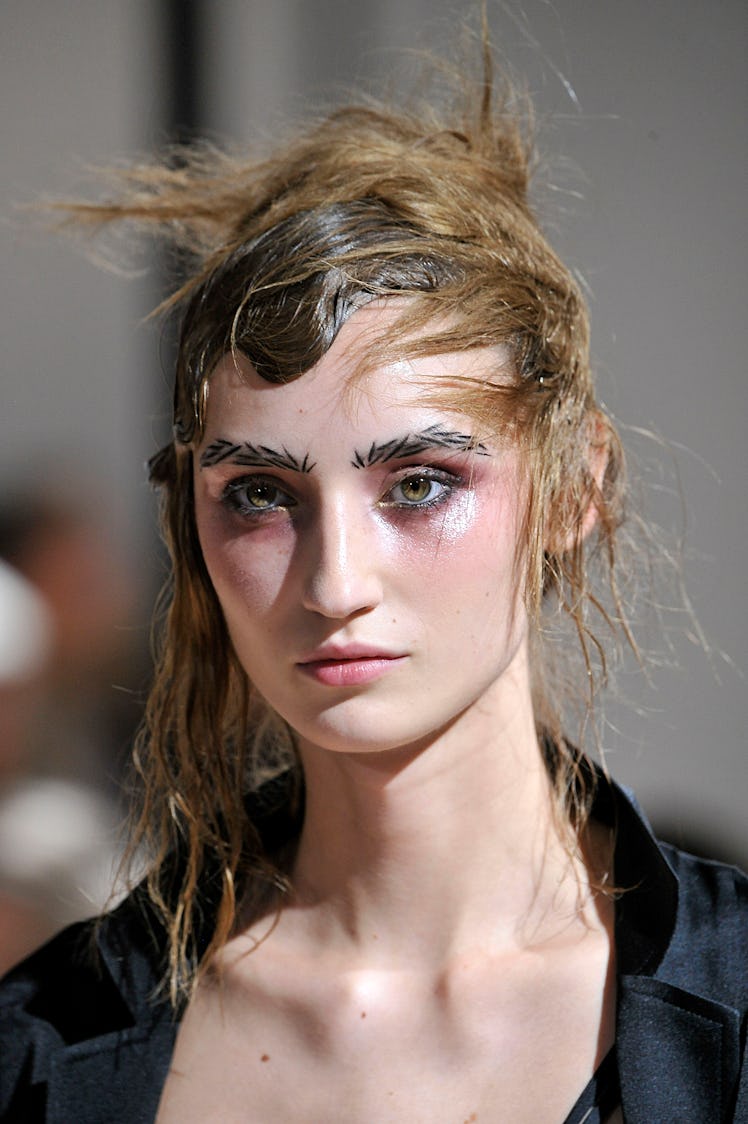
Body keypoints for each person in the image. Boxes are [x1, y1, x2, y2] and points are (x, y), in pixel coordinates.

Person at [0, 34, 745, 1124]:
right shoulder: (46, 1043)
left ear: (575, 486)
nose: (336, 581)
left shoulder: (723, 1013)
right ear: (187, 518)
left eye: (421, 481)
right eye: (259, 492)